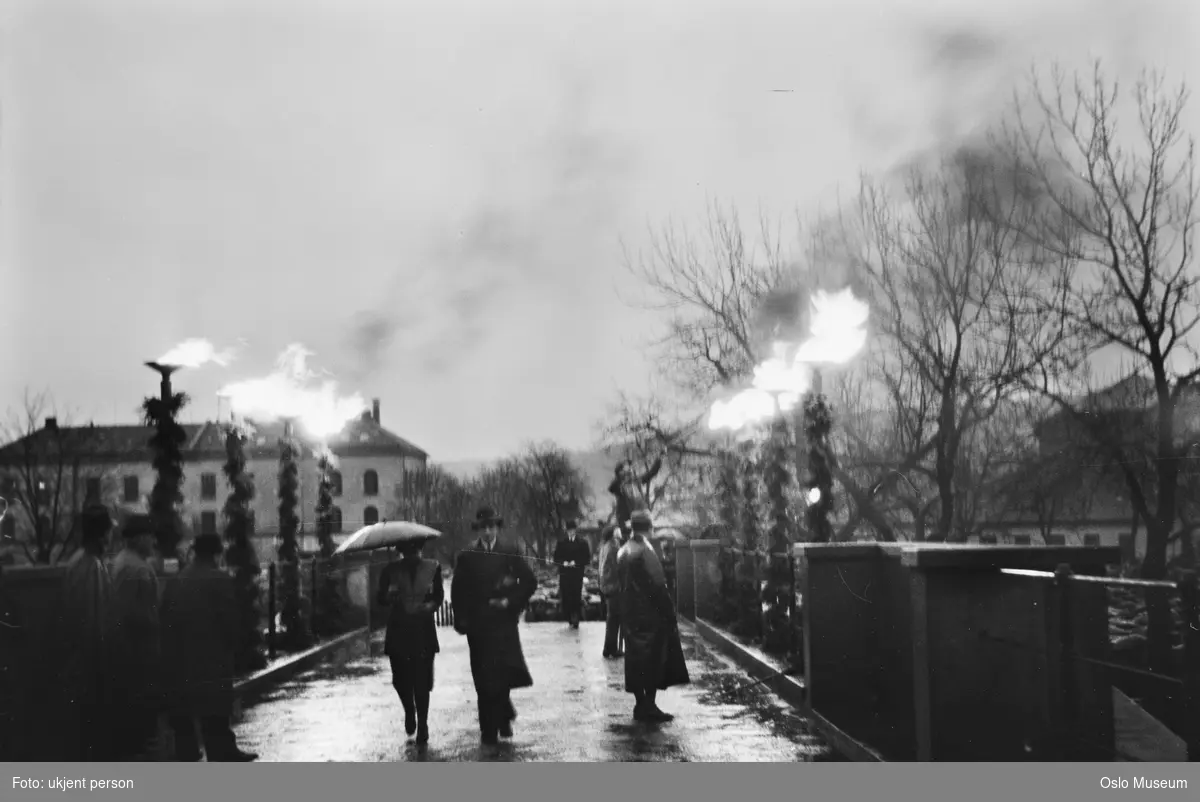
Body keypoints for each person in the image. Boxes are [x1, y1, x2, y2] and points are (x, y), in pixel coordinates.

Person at [160, 533, 257, 762]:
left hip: (182, 657)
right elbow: (230, 619)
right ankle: (222, 750)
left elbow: (166, 618)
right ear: (216, 553)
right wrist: (235, 645)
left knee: (186, 707)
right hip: (213, 656)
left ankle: (187, 750)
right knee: (215, 708)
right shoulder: (219, 579)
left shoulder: (178, 579)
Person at [450, 506, 537, 751]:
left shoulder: (509, 552)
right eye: (483, 527)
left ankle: (501, 715)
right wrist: (461, 619)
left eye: (492, 526)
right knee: (482, 678)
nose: (488, 531)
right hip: (478, 627)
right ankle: (488, 729)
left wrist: (510, 601)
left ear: (497, 528)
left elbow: (530, 581)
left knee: (502, 674)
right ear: (478, 530)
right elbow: (458, 591)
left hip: (503, 624)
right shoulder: (467, 556)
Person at [617, 509, 690, 722]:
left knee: (636, 661)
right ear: (650, 527)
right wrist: (669, 614)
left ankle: (641, 705)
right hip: (649, 615)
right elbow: (659, 586)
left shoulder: (623, 550)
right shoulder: (646, 551)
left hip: (630, 614)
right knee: (652, 661)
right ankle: (649, 705)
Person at [56, 503, 116, 760]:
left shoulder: (77, 563)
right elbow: (96, 626)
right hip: (90, 673)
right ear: (103, 534)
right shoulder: (92, 567)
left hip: (78, 668)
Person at [376, 537, 444, 745]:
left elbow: (439, 596)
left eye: (416, 549)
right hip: (399, 632)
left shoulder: (433, 568)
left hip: (422, 630)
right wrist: (389, 595)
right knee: (400, 680)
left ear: (420, 549)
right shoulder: (390, 571)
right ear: (401, 550)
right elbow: (379, 599)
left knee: (422, 681)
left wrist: (430, 606)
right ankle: (409, 710)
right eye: (408, 550)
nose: (413, 554)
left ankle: (422, 723)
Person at [109, 514, 162, 759]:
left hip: (128, 654)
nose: (153, 541)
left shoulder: (123, 562)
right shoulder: (137, 568)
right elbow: (138, 614)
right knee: (143, 721)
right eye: (150, 536)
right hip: (139, 655)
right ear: (139, 538)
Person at [608, 456, 662, 534]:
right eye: (626, 468)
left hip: (643, 516)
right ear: (620, 472)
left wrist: (659, 458)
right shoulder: (619, 486)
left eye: (630, 468)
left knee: (648, 536)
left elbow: (651, 473)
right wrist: (621, 476)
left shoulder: (636, 481)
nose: (630, 469)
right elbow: (611, 488)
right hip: (628, 521)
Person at [552, 519, 590, 629]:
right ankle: (569, 617)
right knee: (566, 596)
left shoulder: (582, 543)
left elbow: (586, 558)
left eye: (572, 530)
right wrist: (563, 562)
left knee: (576, 596)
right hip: (565, 574)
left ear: (575, 530)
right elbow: (556, 558)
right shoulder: (561, 543)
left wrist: (576, 562)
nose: (571, 532)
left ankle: (576, 618)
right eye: (569, 530)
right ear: (567, 531)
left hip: (576, 575)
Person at [598, 524, 624, 659]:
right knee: (614, 619)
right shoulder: (614, 547)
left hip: (606, 587)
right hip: (614, 587)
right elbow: (617, 568)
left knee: (611, 619)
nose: (620, 531)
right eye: (617, 529)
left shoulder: (605, 546)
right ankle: (611, 649)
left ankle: (608, 648)